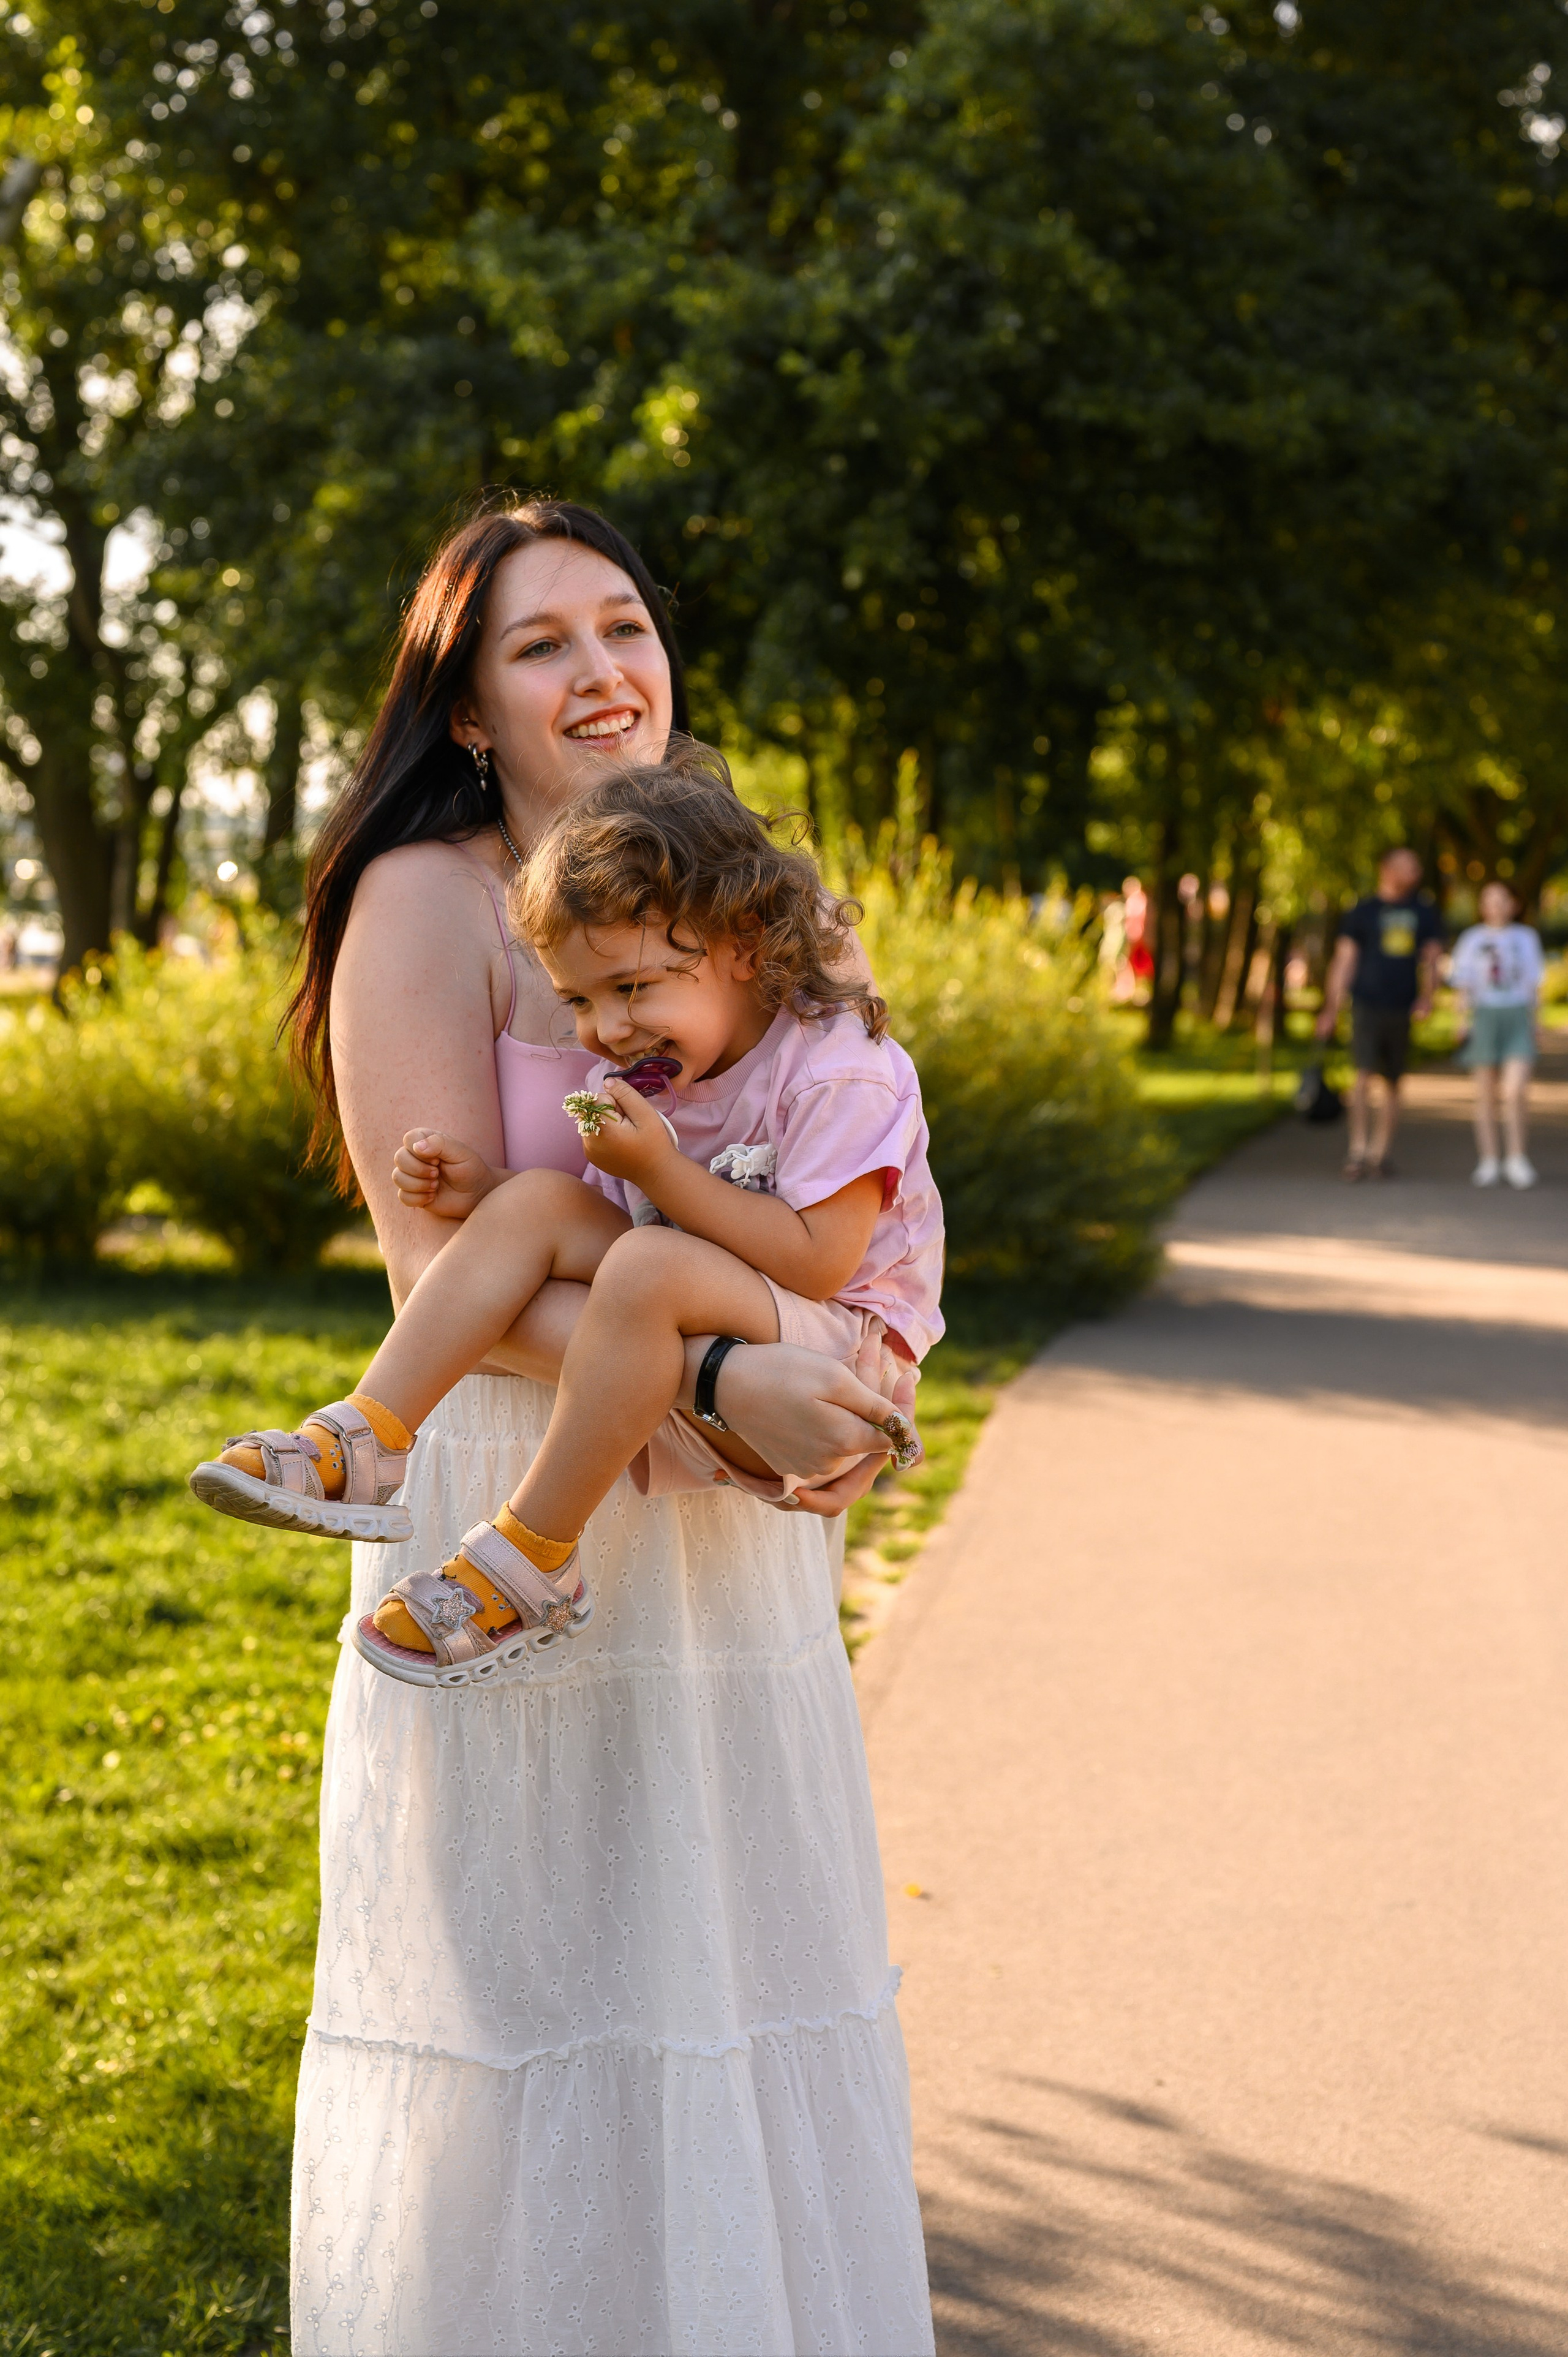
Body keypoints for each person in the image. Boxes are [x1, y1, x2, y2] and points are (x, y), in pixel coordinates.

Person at [282, 497, 936, 2353]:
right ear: (468, 709)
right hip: (520, 1482)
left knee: (729, 1970)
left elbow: (846, 1205)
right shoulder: (429, 898)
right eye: (541, 643)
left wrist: (850, 1393)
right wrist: (727, 1375)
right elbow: (439, 1260)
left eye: (623, 625)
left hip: (726, 1535)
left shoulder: (757, 898)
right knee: (541, 1996)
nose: (599, 669)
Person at [194, 754, 939, 1689]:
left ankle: (535, 1553)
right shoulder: (653, 1075)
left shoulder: (840, 1072)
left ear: (743, 946)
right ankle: (367, 1437)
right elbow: (621, 1217)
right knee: (543, 1202)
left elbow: (822, 1262)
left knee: (646, 1269)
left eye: (631, 989)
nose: (606, 1030)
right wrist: (494, 1190)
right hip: (722, 1304)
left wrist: (663, 1168)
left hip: (839, 1354)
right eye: (580, 1001)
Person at [1316, 847, 1442, 1180]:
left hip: (1402, 1005)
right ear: (1386, 869)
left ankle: (1380, 1152)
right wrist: (1331, 1008)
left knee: (1393, 1082)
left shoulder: (1424, 911)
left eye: (1417, 867)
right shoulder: (1363, 911)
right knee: (1361, 1076)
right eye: (1407, 866)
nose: (1415, 872)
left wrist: (1428, 997)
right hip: (1366, 1003)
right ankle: (1357, 1150)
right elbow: (1344, 961)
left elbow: (1432, 958)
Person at [1450, 880, 1544, 1189]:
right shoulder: (1472, 939)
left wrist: (1536, 1022)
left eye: (1503, 899)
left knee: (1515, 1091)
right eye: (1489, 900)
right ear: (1482, 906)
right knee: (1485, 1095)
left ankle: (1517, 1157)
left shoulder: (1526, 937)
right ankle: (1489, 1159)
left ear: (1514, 904)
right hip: (1485, 1017)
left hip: (1517, 1015)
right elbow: (1463, 984)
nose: (1496, 906)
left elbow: (1533, 983)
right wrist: (1461, 1020)